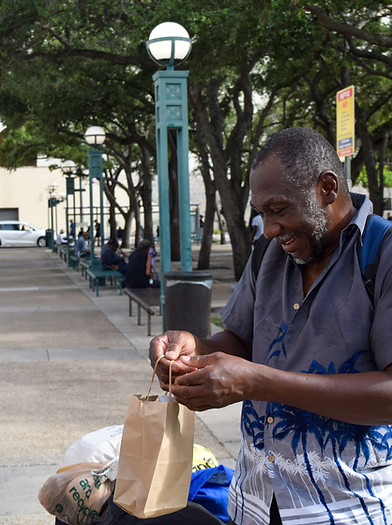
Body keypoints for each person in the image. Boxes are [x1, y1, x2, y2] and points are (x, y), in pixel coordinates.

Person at [149, 127, 392, 525]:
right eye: (261, 214)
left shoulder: (382, 254)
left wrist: (258, 383)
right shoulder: (268, 253)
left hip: (345, 507)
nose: (269, 229)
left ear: (327, 188)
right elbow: (244, 341)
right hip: (254, 500)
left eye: (278, 210)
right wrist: (193, 349)